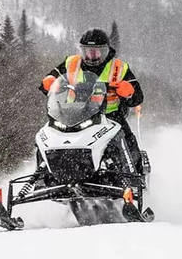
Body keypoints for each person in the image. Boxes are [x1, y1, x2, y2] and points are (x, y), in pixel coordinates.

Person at [40, 28, 145, 174]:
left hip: (109, 115)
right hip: (72, 114)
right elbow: (54, 78)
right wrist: (49, 81)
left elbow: (137, 97)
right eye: (88, 51)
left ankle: (133, 175)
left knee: (127, 140)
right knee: (46, 136)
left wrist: (128, 91)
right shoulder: (72, 62)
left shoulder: (119, 68)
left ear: (106, 50)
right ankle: (42, 175)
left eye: (97, 51)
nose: (92, 55)